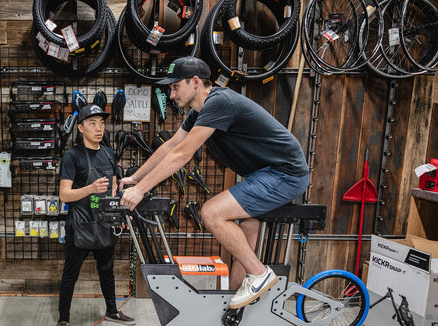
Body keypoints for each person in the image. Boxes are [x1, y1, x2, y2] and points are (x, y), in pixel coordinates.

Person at [119, 56, 310, 309]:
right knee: (246, 237)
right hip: (264, 175)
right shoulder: (198, 112)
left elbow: (182, 154)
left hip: (284, 174)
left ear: (195, 82)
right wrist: (135, 178)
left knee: (211, 213)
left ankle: (260, 274)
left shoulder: (220, 102)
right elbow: (171, 146)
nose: (172, 94)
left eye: (175, 86)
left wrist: (140, 191)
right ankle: (236, 313)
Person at [55, 104, 136, 326]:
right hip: (79, 224)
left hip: (102, 222)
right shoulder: (72, 156)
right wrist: (90, 189)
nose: (98, 128)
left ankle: (112, 311)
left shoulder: (109, 153)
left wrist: (117, 213)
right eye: (92, 123)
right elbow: (64, 195)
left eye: (101, 123)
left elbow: (111, 187)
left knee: (107, 271)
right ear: (80, 128)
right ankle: (64, 319)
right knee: (71, 274)